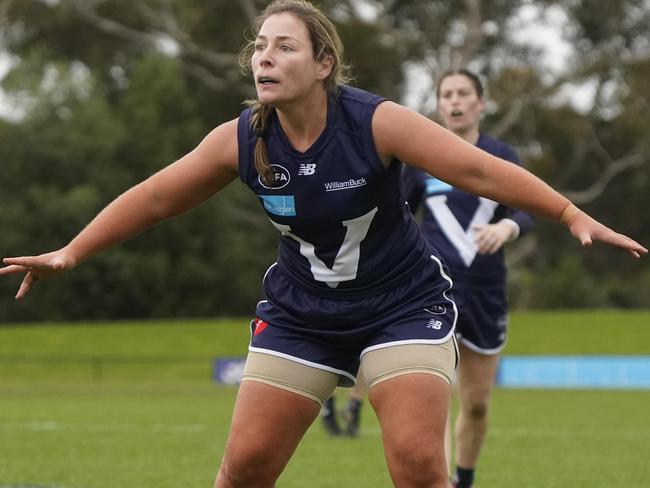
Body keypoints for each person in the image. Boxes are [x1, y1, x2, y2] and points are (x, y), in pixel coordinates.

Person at [0, 2, 645, 487]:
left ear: (323, 64)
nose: (264, 58)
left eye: (284, 47)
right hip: (300, 313)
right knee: (245, 468)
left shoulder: (375, 122)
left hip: (401, 307)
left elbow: (474, 169)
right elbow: (158, 196)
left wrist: (568, 214)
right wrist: (71, 252)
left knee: (420, 465)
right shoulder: (243, 136)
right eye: (259, 47)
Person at [403, 68, 533, 488]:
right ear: (439, 105)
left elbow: (528, 208)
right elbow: (395, 215)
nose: (455, 101)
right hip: (433, 291)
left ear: (480, 103)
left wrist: (507, 227)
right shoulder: (422, 157)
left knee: (476, 403)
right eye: (447, 95)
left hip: (487, 291)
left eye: (463, 94)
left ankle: (466, 477)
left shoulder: (502, 155)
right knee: (434, 399)